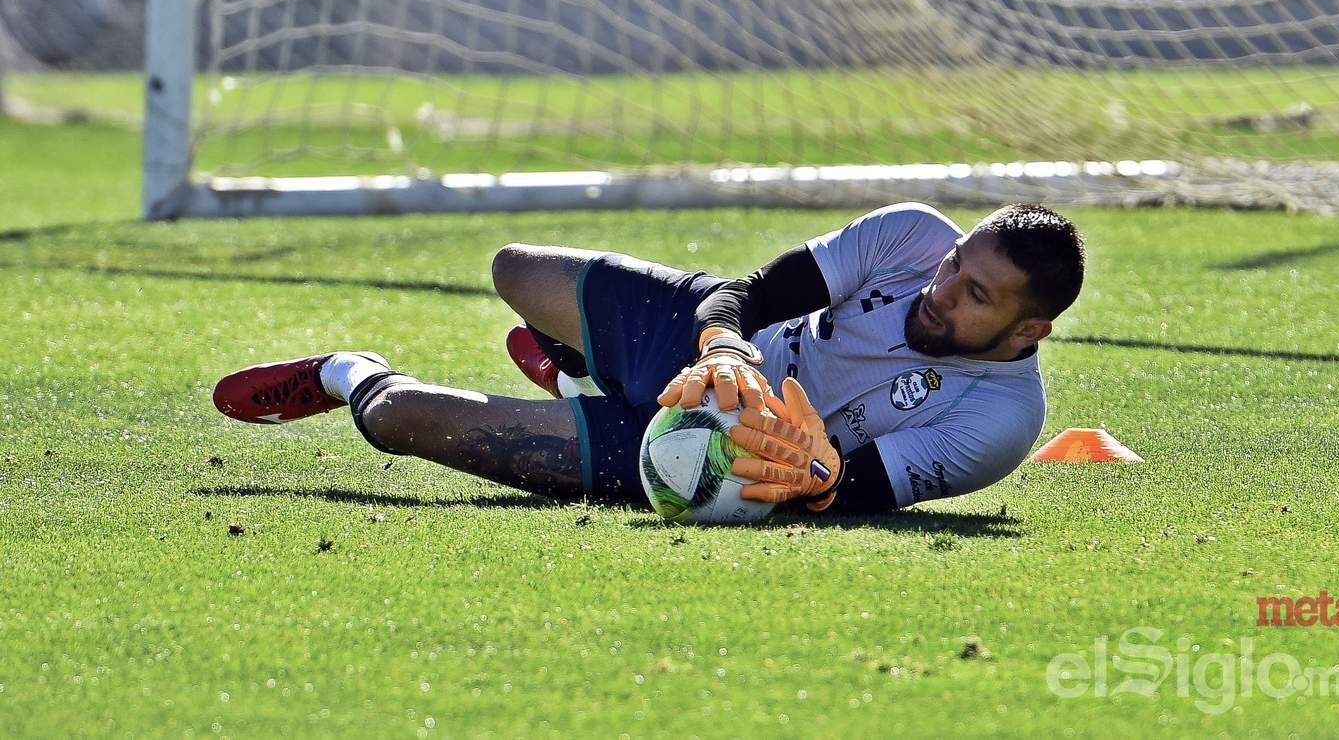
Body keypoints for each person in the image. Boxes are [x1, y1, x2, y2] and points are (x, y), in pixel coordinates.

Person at [212, 202, 1085, 514]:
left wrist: (814, 475)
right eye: (953, 265)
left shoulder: (1002, 421)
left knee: (398, 418)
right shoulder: (913, 235)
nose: (941, 290)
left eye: (976, 295)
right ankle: (577, 366)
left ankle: (341, 371)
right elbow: (746, 294)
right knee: (514, 269)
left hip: (702, 457)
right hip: (694, 347)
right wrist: (726, 347)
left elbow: (850, 496)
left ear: (1028, 332)